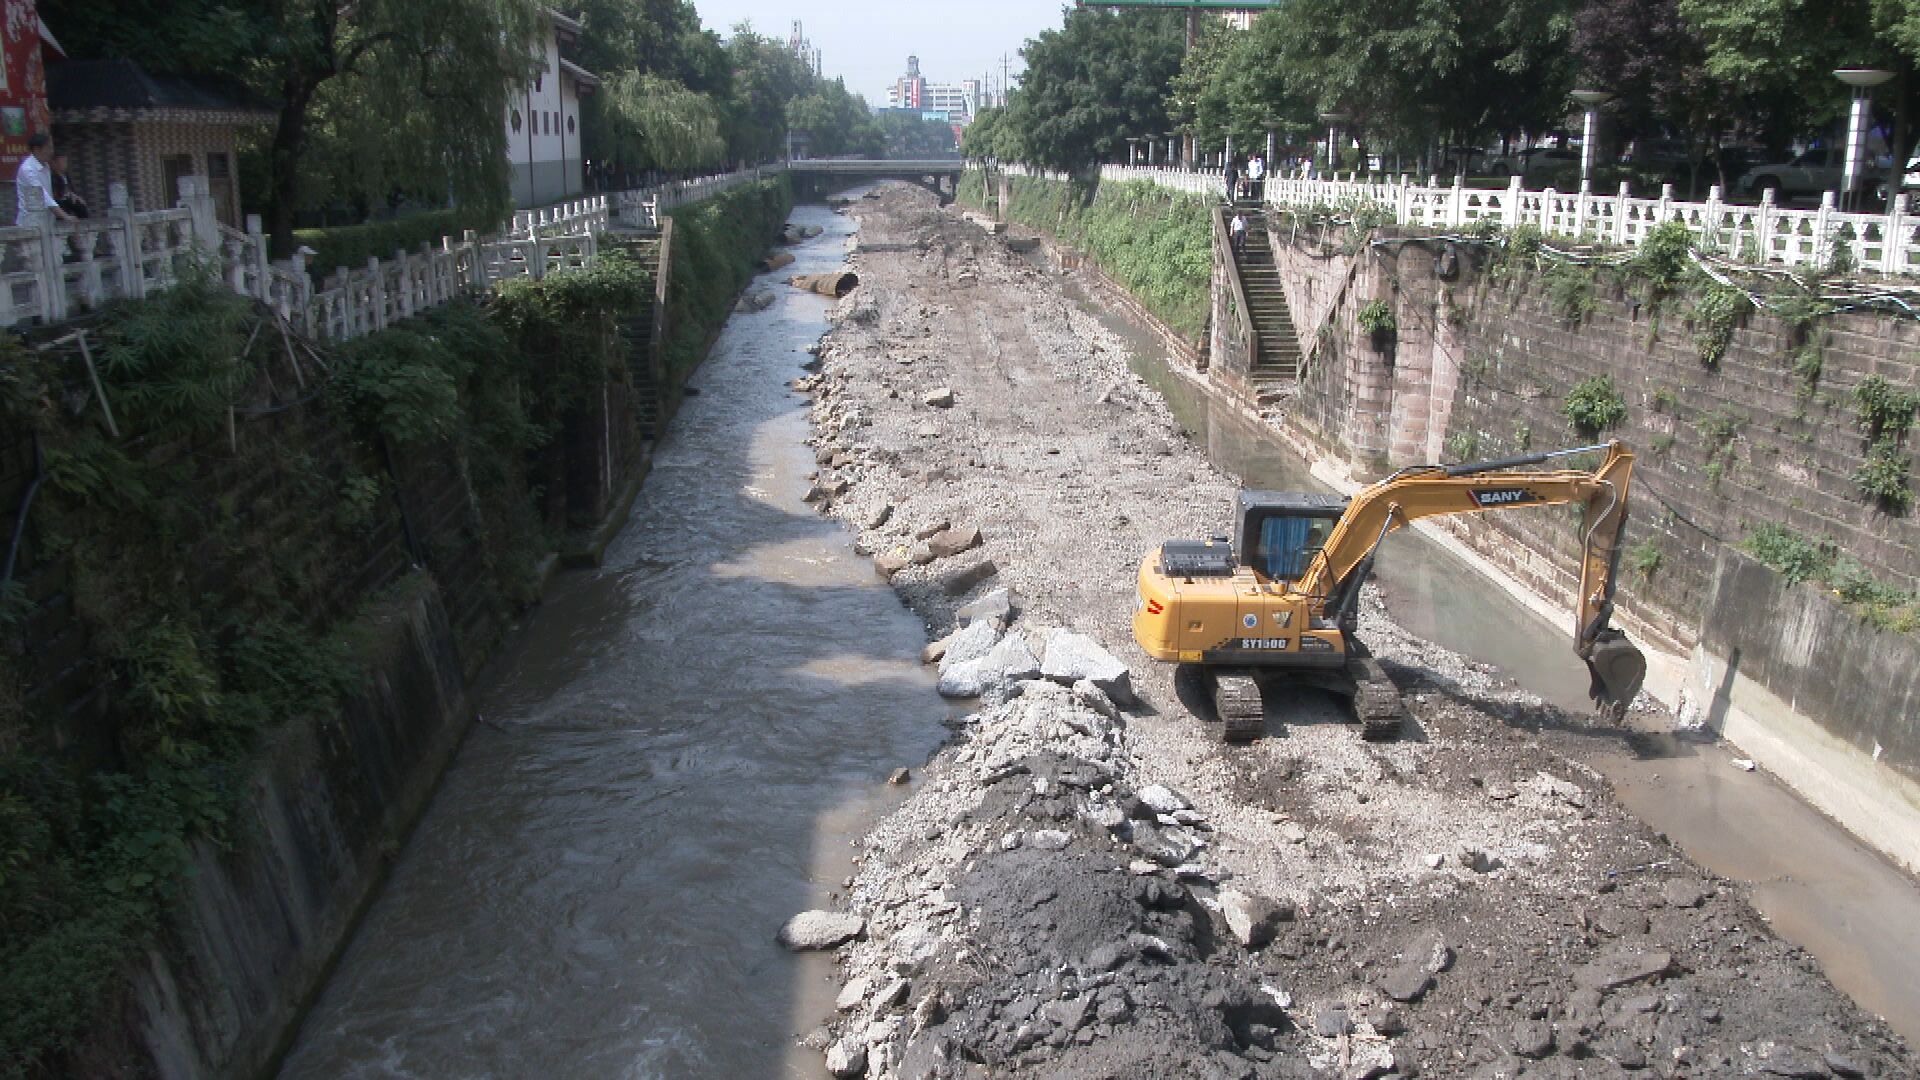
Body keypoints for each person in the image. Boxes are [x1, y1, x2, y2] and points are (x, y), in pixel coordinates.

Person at [15, 134, 76, 227]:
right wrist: (65, 216)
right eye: (48, 148)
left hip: (47, 221)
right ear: (36, 149)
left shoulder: (46, 166)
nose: (51, 152)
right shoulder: (27, 169)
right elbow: (43, 196)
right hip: (30, 222)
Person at [50, 152, 87, 219]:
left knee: (81, 205)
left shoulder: (66, 176)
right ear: (55, 163)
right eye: (63, 161)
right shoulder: (53, 177)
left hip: (70, 199)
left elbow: (72, 190)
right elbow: (56, 194)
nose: (65, 164)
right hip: (61, 201)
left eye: (66, 161)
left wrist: (77, 196)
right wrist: (68, 194)